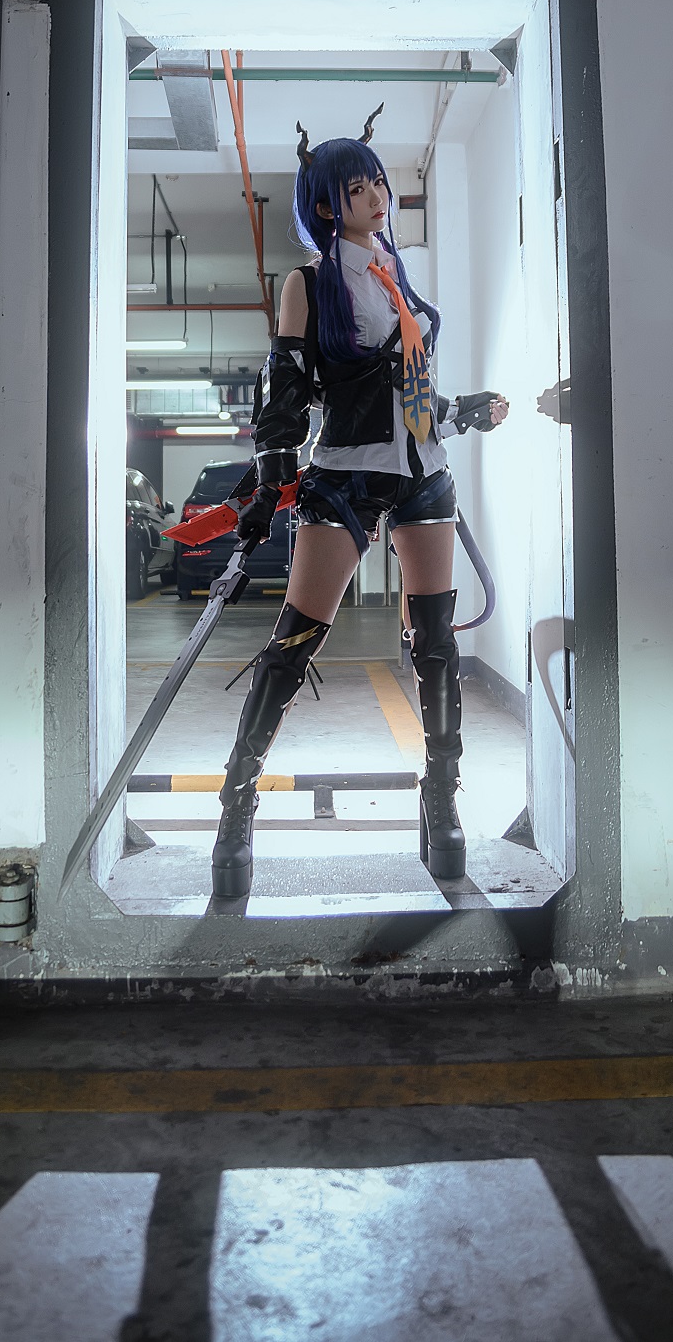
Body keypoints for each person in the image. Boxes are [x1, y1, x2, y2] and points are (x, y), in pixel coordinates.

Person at [211, 113, 509, 898]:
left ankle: (440, 799)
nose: (377, 194)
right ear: (325, 203)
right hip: (344, 478)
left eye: (378, 180)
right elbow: (284, 398)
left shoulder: (394, 274)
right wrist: (269, 482)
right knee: (294, 642)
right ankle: (236, 805)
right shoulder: (308, 284)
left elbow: (413, 400)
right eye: (358, 186)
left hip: (424, 475)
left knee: (436, 642)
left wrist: (463, 410)